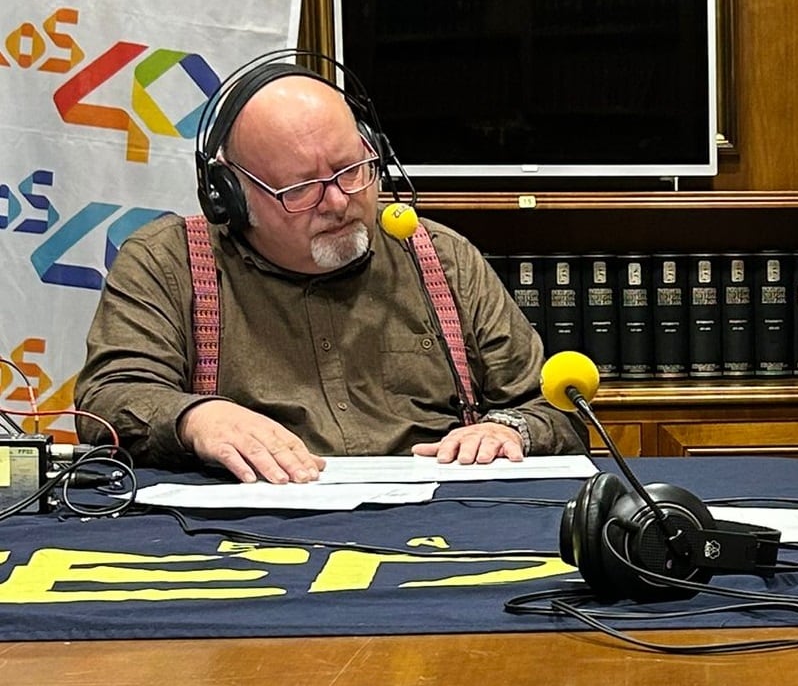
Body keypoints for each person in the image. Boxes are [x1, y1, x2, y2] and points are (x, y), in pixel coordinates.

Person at [75, 60, 586, 484]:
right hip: (249, 531)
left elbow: (555, 409)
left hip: (440, 524)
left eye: (351, 170)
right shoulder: (167, 262)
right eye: (301, 188)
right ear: (228, 195)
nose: (339, 202)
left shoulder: (442, 258)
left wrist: (510, 430)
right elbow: (111, 397)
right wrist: (195, 418)